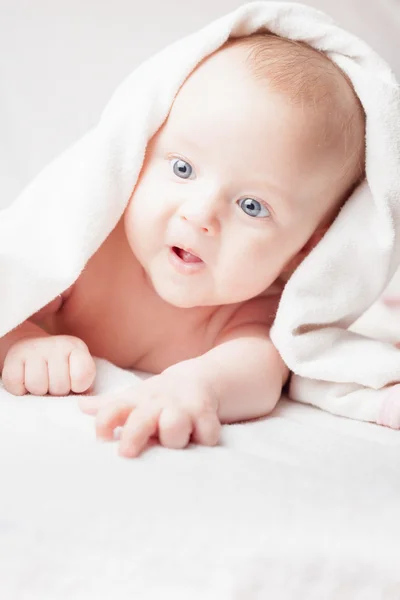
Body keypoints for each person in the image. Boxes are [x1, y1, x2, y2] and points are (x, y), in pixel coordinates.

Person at [0, 33, 365, 457]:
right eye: (183, 167)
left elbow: (259, 371)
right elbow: (11, 284)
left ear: (305, 249)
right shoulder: (85, 252)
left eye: (252, 206)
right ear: (138, 152)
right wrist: (21, 339)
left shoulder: (255, 309)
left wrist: (197, 385)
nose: (200, 215)